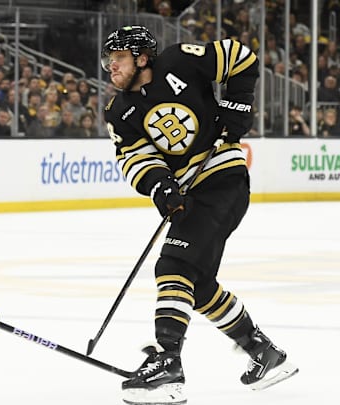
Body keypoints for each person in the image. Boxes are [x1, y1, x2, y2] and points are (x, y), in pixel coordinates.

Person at [101, 26, 298, 404]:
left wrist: (238, 104)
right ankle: (263, 353)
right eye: (110, 60)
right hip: (192, 194)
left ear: (142, 58)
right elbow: (136, 158)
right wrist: (162, 186)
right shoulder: (119, 111)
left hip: (222, 177)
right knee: (196, 283)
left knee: (172, 266)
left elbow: (241, 57)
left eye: (119, 58)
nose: (112, 66)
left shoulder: (180, 60)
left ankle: (167, 363)